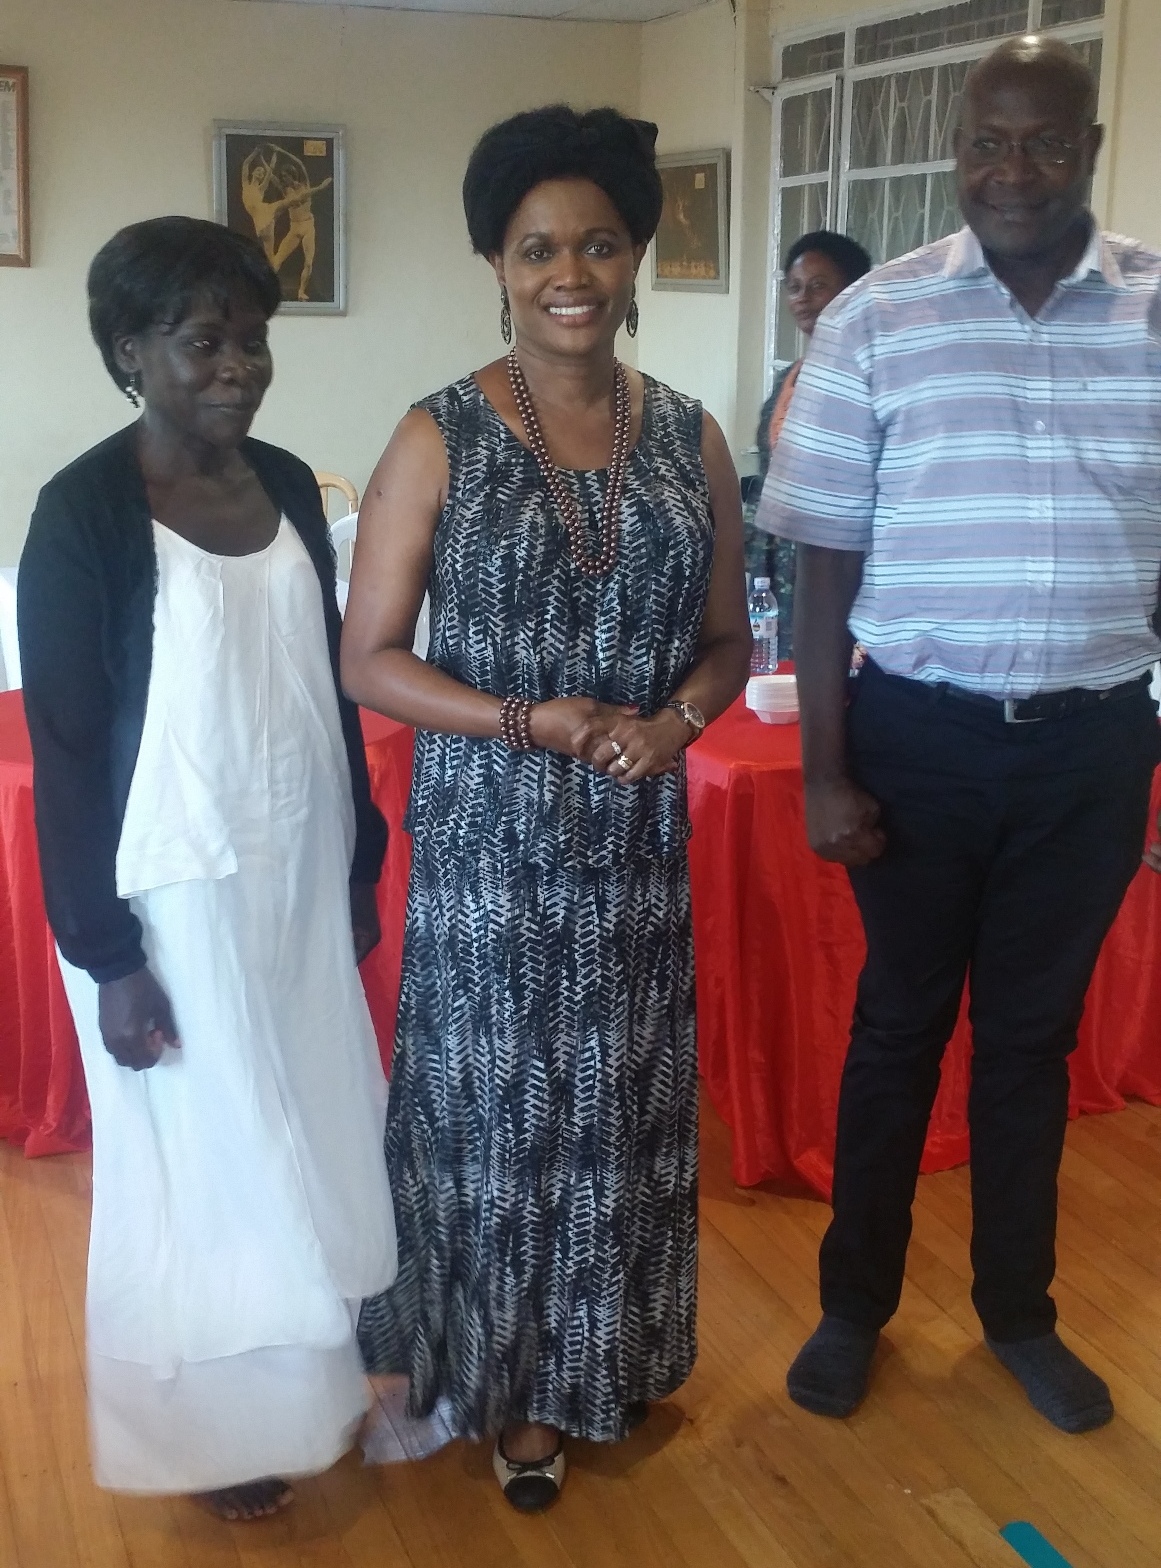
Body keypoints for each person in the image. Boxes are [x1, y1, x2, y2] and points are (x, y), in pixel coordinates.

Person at [342, 106, 751, 1512]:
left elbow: (726, 641)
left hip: (632, 846)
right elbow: (369, 657)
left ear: (635, 258)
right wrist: (533, 720)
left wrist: (675, 720)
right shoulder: (438, 433)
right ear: (497, 265)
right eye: (537, 249)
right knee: (502, 1119)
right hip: (493, 849)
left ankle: (605, 1361)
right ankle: (508, 1386)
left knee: (617, 1113)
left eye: (598, 243)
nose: (569, 272)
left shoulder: (691, 437)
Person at [760, 35, 1161, 1436]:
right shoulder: (877, 317)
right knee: (898, 1027)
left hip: (1093, 748)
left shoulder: (1156, 311)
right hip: (917, 740)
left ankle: (1018, 1313)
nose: (1012, 170)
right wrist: (822, 769)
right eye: (987, 142)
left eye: (1043, 142)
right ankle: (853, 1307)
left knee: (1030, 1043)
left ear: (1088, 151)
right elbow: (821, 561)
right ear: (957, 151)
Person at [18, 216, 397, 1519]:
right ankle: (210, 1437)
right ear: (131, 351)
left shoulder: (285, 483)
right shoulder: (83, 516)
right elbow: (67, 749)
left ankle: (305, 1394)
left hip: (295, 869)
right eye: (201, 341)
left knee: (306, 1133)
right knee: (204, 1165)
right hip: (168, 894)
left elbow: (328, 691)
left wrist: (357, 868)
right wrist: (106, 957)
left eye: (252, 339)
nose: (235, 366)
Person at [746, 231, 870, 655]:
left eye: (818, 286)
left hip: (843, 562)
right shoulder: (791, 376)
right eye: (795, 287)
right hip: (778, 564)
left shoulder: (869, 377)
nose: (803, 299)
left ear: (853, 291)